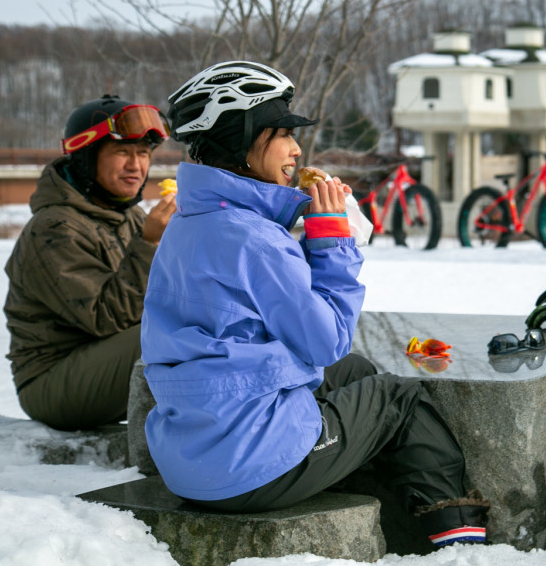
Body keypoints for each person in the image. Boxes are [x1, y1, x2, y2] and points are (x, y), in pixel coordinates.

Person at [141, 61, 489, 548]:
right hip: (250, 468)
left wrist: (306, 235)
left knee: (354, 371)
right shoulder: (255, 238)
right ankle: (459, 543)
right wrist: (330, 241)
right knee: (398, 398)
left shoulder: (189, 222)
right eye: (281, 133)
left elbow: (269, 312)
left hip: (191, 457)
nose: (297, 148)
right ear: (241, 141)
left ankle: (379, 509)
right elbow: (325, 339)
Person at [4, 95, 175, 431]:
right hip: (51, 381)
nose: (136, 165)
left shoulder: (128, 217)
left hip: (102, 361)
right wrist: (151, 243)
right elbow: (104, 317)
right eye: (122, 152)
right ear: (86, 157)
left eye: (143, 153)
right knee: (174, 331)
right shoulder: (54, 227)